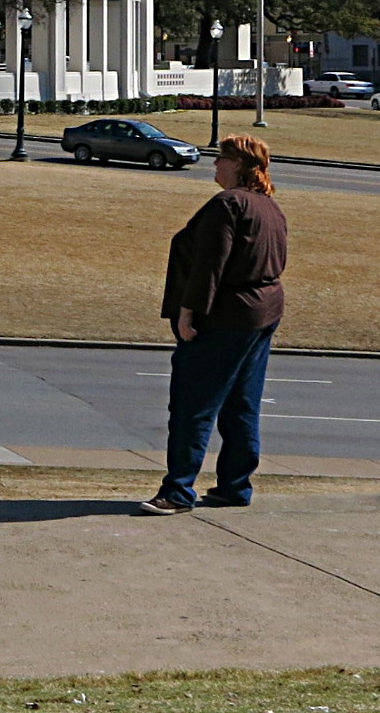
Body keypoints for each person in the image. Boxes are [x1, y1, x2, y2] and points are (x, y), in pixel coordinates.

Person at [139, 134, 290, 516]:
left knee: (194, 404)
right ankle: (235, 486)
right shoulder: (270, 208)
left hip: (225, 316)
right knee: (241, 403)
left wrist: (189, 311)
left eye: (221, 158)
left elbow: (211, 262)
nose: (215, 165)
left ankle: (178, 491)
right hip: (262, 313)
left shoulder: (228, 204)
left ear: (238, 164)